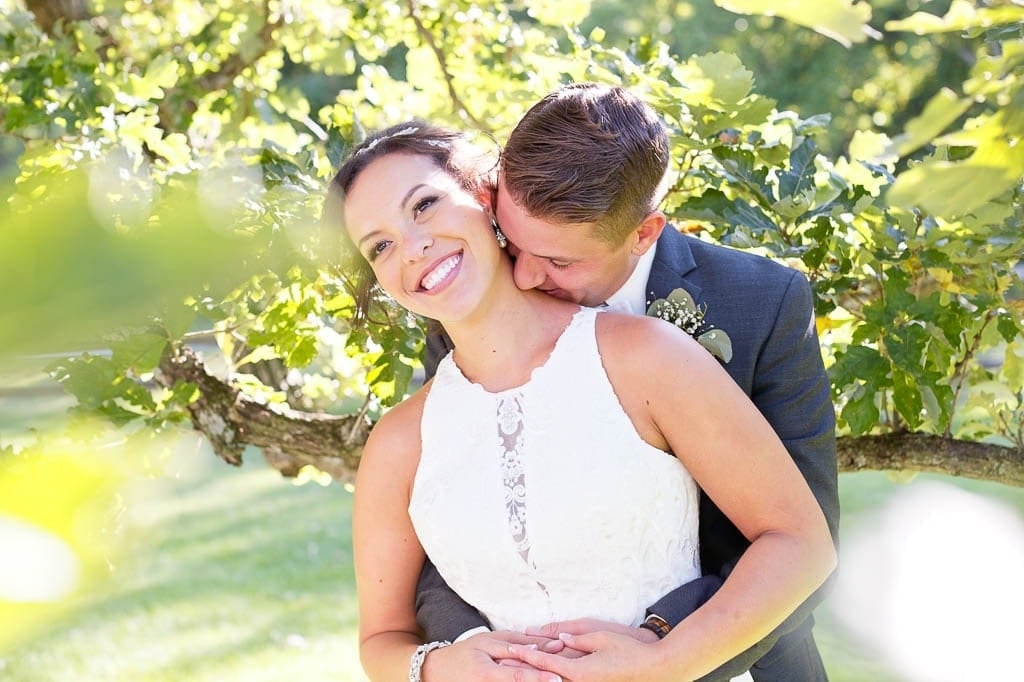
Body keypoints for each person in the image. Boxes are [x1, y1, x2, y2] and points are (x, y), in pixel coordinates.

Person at [325, 119, 836, 682]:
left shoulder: (646, 355)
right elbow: (382, 639)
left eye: (423, 205)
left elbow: (801, 544)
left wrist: (662, 661)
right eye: (379, 245)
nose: (413, 248)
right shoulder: (398, 441)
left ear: (485, 197)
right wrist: (438, 666)